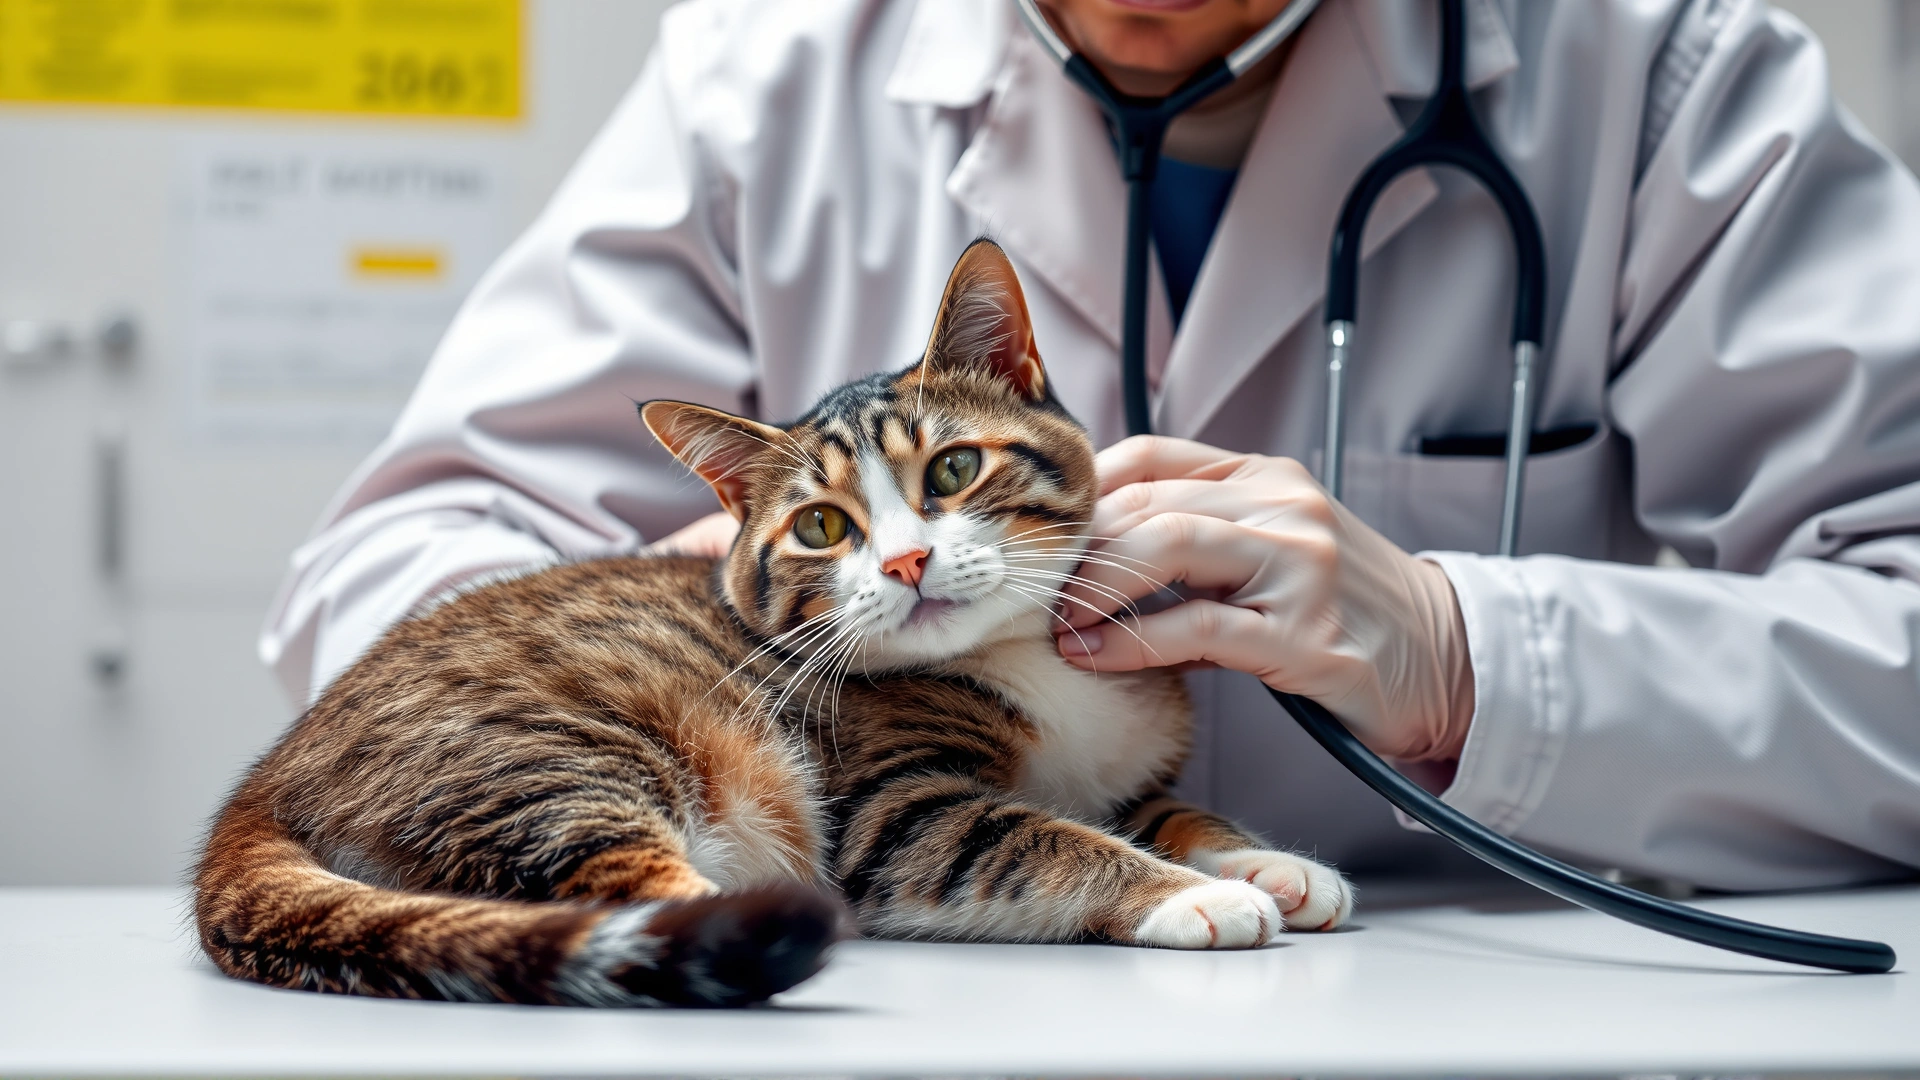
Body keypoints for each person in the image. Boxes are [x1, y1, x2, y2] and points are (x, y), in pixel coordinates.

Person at [263, 0, 1920, 891]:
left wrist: (1471, 654)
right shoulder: (761, 71)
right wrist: (662, 643)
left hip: (1468, 999)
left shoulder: (1668, 73)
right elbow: (392, 568)